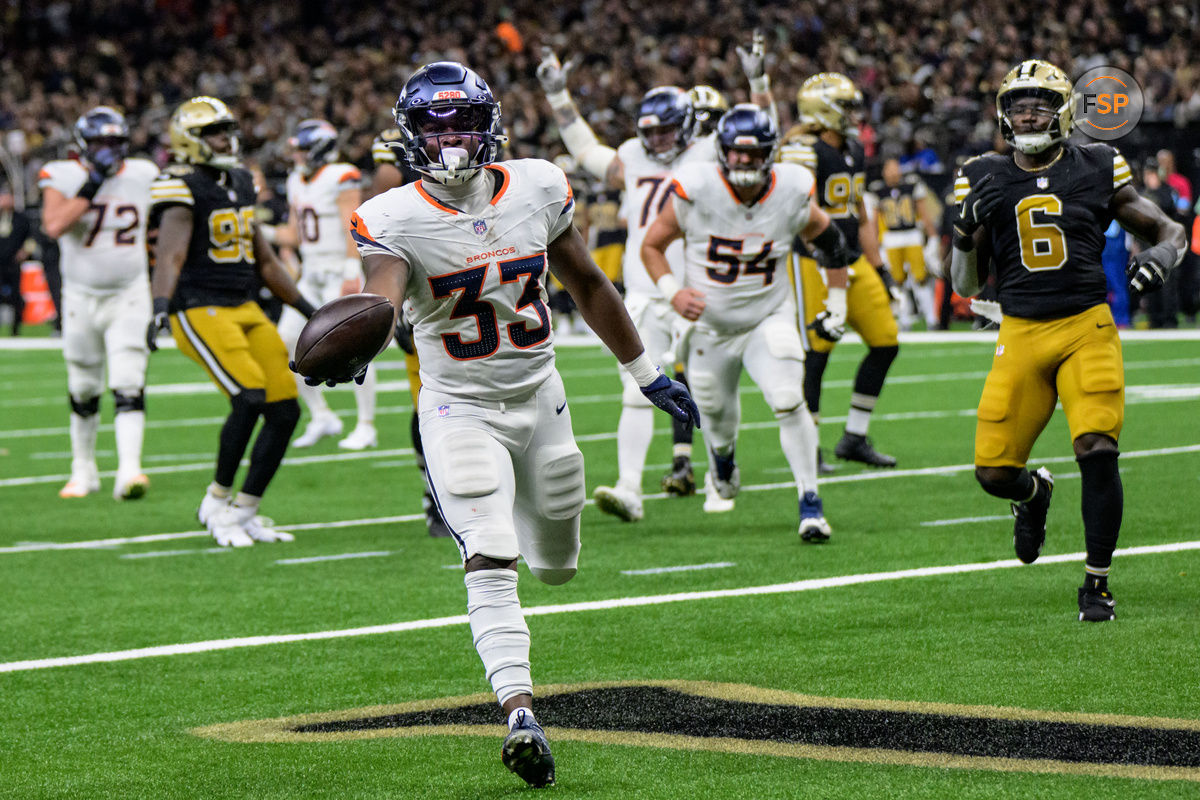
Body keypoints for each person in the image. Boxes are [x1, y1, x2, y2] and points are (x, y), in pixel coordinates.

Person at [340, 61, 698, 788]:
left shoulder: (537, 184)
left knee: (557, 566)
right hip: (458, 406)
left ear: (490, 125)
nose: (450, 142)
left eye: (463, 123)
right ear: (409, 136)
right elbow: (379, 302)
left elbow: (588, 281)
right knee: (490, 550)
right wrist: (355, 344)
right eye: (434, 128)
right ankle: (519, 712)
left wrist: (645, 371)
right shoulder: (390, 216)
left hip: (541, 398)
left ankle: (525, 643)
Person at [950, 59, 1186, 622]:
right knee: (993, 473)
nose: (1025, 113)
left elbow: (1169, 230)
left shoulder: (1098, 163)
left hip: (1086, 327)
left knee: (1098, 449)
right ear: (1003, 116)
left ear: (1063, 111)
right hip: (1021, 332)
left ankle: (1097, 582)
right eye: (1016, 105)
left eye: (1036, 103)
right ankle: (1034, 496)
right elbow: (962, 284)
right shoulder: (982, 173)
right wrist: (962, 232)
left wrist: (1160, 256)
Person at [536, 39, 765, 517]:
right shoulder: (634, 157)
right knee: (636, 390)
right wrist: (559, 97)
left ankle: (720, 474)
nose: (657, 140)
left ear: (686, 127)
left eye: (665, 131)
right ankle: (629, 489)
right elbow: (585, 151)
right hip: (645, 290)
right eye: (651, 132)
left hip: (701, 290)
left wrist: (758, 84)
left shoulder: (710, 152)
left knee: (711, 391)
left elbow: (765, 134)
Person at [643, 105, 854, 538]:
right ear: (721, 153)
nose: (743, 162)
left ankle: (810, 502)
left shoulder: (791, 189)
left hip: (766, 318)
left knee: (788, 398)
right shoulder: (696, 186)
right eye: (736, 154)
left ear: (769, 154)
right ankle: (722, 466)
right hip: (710, 329)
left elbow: (833, 244)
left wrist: (838, 304)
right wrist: (673, 293)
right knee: (716, 420)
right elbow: (652, 245)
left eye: (753, 154)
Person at [148, 96, 317, 547]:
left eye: (227, 129)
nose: (226, 138)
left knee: (284, 409)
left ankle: (246, 510)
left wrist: (310, 310)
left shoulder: (241, 180)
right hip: (198, 306)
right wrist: (161, 305)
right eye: (214, 132)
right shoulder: (178, 183)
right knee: (247, 397)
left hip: (243, 305)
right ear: (190, 139)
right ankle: (215, 501)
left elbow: (264, 259)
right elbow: (171, 253)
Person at [780, 73, 902, 471]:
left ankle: (854, 436)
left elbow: (860, 213)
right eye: (846, 106)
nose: (854, 114)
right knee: (816, 353)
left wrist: (880, 268)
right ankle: (808, 445)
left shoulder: (852, 148)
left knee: (885, 342)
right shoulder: (802, 150)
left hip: (852, 259)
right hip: (812, 259)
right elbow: (799, 212)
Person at [38, 106, 158, 500]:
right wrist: (92, 183)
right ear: (82, 145)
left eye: (114, 142)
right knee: (84, 386)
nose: (108, 150)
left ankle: (130, 470)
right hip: (80, 295)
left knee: (128, 379)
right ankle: (84, 470)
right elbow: (55, 225)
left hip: (129, 292)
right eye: (99, 142)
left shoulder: (143, 173)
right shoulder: (64, 175)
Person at [367, 122, 452, 539]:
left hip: (470, 286)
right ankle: (435, 493)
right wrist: (394, 311)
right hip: (425, 296)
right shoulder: (396, 161)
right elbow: (379, 243)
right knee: (431, 402)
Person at [274, 119, 379, 450]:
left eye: (304, 149)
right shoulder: (295, 180)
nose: (299, 156)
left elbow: (353, 224)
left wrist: (352, 269)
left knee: (353, 349)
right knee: (287, 342)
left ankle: (366, 425)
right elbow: (292, 234)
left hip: (339, 270)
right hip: (311, 272)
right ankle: (321, 415)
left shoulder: (341, 175)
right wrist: (254, 230)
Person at [869, 158, 941, 331]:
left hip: (912, 235)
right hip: (891, 238)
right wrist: (875, 243)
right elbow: (875, 221)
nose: (894, 172)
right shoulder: (878, 191)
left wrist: (932, 237)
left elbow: (923, 213)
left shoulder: (912, 186)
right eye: (890, 168)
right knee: (897, 280)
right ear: (884, 171)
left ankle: (931, 318)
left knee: (920, 278)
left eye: (896, 168)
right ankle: (904, 319)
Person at [0, 183, 32, 336]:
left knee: (16, 296)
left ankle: (15, 329)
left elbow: (31, 238)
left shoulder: (21, 218)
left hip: (13, 263)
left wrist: (25, 252)